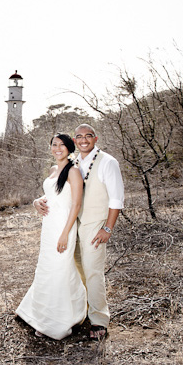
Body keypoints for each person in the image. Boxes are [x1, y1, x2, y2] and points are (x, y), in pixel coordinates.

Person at [16, 133, 87, 340]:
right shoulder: (53, 170)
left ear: (70, 148)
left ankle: (57, 321)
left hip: (63, 227)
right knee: (46, 268)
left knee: (60, 268)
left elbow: (76, 204)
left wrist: (65, 234)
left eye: (62, 145)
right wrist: (36, 201)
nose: (57, 148)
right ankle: (40, 313)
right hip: (49, 226)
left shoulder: (73, 172)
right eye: (54, 145)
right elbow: (53, 196)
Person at [71, 124, 124, 340]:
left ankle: (99, 319)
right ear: (74, 140)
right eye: (79, 137)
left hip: (95, 223)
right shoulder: (73, 162)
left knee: (93, 271)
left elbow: (116, 199)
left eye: (88, 136)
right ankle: (82, 311)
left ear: (96, 138)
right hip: (75, 223)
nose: (84, 140)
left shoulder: (108, 162)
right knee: (78, 270)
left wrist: (107, 228)